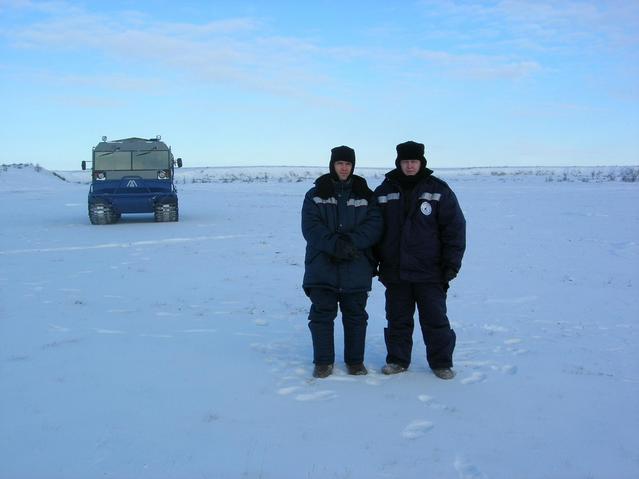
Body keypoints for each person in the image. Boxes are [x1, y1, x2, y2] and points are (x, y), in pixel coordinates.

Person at [374, 141, 466, 379]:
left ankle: (441, 363)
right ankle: (397, 360)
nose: (410, 165)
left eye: (414, 161)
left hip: (430, 272)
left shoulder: (439, 190)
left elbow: (454, 229)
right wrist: (373, 262)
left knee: (435, 320)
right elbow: (373, 230)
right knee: (397, 320)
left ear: (421, 162)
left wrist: (451, 264)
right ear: (399, 163)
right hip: (396, 271)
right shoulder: (384, 191)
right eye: (405, 161)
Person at [302, 145, 383, 378]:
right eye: (340, 163)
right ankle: (323, 362)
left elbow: (374, 226)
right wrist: (334, 245)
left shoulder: (366, 195)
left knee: (356, 316)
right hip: (321, 266)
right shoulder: (315, 194)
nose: (344, 168)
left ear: (353, 166)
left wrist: (350, 244)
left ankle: (355, 362)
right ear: (332, 165)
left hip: (356, 265)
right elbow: (311, 228)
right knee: (321, 315)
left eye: (348, 164)